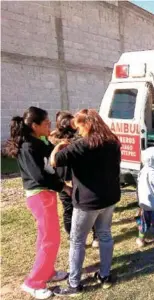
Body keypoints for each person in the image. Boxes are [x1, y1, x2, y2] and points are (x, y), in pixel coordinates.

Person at [50, 109, 121, 296]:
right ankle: (105, 275)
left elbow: (54, 162)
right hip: (109, 197)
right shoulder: (113, 142)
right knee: (105, 235)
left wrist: (58, 146)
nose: (78, 131)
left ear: (87, 124)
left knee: (77, 240)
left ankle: (74, 285)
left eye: (79, 126)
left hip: (88, 202)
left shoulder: (80, 145)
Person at [5, 107, 69, 299]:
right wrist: (63, 187)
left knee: (47, 238)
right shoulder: (27, 147)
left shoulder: (38, 141)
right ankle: (33, 282)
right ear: (34, 126)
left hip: (44, 195)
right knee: (50, 240)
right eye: (46, 123)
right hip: (39, 196)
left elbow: (51, 152)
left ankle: (47, 271)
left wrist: (60, 144)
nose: (50, 125)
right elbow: (39, 176)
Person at [49, 111, 98, 247]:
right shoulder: (55, 141)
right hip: (65, 179)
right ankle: (74, 237)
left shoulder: (78, 139)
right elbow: (52, 161)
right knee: (69, 209)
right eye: (71, 122)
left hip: (79, 179)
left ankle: (95, 237)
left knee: (89, 208)